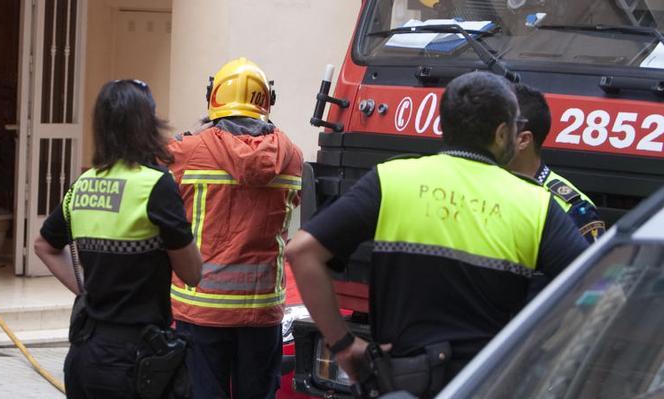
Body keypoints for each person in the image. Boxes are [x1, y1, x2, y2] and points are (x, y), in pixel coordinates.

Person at [286, 72, 588, 398]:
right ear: (503, 134)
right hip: (489, 384)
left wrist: (343, 344)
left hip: (401, 383)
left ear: (444, 126)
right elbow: (601, 285)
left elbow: (302, 252)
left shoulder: (392, 180)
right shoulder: (537, 204)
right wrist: (540, 354)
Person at [34, 80, 202, 399]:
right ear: (147, 123)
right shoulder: (156, 186)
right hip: (136, 359)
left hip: (84, 352)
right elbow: (192, 273)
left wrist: (86, 290)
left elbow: (44, 245)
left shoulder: (82, 184)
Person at [168, 58, 303, 399]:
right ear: (267, 101)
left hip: (201, 308)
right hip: (262, 311)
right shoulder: (291, 156)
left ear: (213, 97)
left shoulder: (185, 152)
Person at [509, 83, 606, 243]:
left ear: (523, 140)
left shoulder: (573, 210)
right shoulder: (478, 182)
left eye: (497, 131)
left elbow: (592, 267)